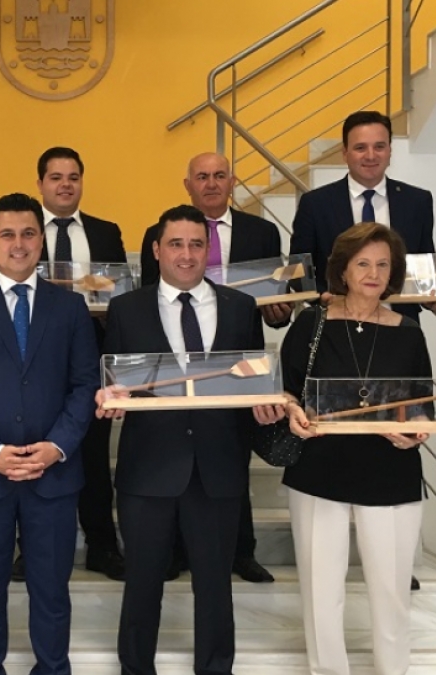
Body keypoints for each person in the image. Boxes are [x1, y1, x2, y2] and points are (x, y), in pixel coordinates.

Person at [98, 204, 284, 675]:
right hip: (148, 470)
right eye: (176, 244)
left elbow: (251, 381)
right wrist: (109, 397)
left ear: (208, 251)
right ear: (156, 250)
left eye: (197, 244)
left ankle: (216, 668)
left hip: (217, 469)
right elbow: (114, 381)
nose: (186, 254)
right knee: (142, 585)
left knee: (216, 587)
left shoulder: (240, 307)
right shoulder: (125, 309)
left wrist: (263, 404)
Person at [0, 193, 99, 675]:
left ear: (41, 240)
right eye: (7, 234)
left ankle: (53, 668)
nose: (19, 244)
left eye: (28, 233)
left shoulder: (71, 307)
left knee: (51, 591)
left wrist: (56, 447)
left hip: (53, 475)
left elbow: (85, 385)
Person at [282, 222, 432, 675]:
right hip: (319, 466)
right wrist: (292, 411)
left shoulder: (409, 331)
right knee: (320, 591)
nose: (373, 273)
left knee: (391, 591)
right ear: (343, 271)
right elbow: (286, 390)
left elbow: (421, 404)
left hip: (390, 470)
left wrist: (417, 429)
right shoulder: (312, 322)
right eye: (363, 263)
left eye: (383, 265)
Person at [140, 152, 285, 583]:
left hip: (237, 359)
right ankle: (176, 551)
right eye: (202, 176)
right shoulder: (158, 233)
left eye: (220, 175)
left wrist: (281, 312)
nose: (211, 183)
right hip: (177, 361)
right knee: (176, 462)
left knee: (232, 460)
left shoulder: (262, 232)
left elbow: (278, 299)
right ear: (188, 184)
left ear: (233, 181)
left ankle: (241, 551)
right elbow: (150, 299)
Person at [11, 146, 127, 582]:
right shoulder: (20, 231)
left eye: (73, 177)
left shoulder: (106, 232)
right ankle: (31, 550)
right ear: (40, 183)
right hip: (33, 361)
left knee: (93, 456)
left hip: (89, 359)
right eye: (56, 177)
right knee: (33, 453)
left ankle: (102, 546)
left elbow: (120, 295)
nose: (65, 185)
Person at [290, 110, 436, 318]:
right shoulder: (315, 204)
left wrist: (435, 297)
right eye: (360, 148)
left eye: (379, 146)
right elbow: (298, 271)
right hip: (336, 322)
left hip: (399, 324)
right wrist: (323, 297)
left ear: (390, 151)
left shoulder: (417, 201)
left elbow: (424, 269)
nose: (370, 156)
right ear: (345, 153)